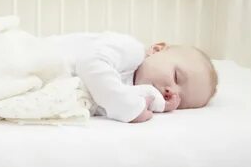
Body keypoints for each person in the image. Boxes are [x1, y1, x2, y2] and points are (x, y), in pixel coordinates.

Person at [47, 32, 218, 123]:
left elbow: (97, 100)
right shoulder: (131, 50)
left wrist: (152, 103)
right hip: (42, 56)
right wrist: (125, 106)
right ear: (157, 50)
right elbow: (90, 62)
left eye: (180, 101)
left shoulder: (135, 92)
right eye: (176, 77)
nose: (171, 91)